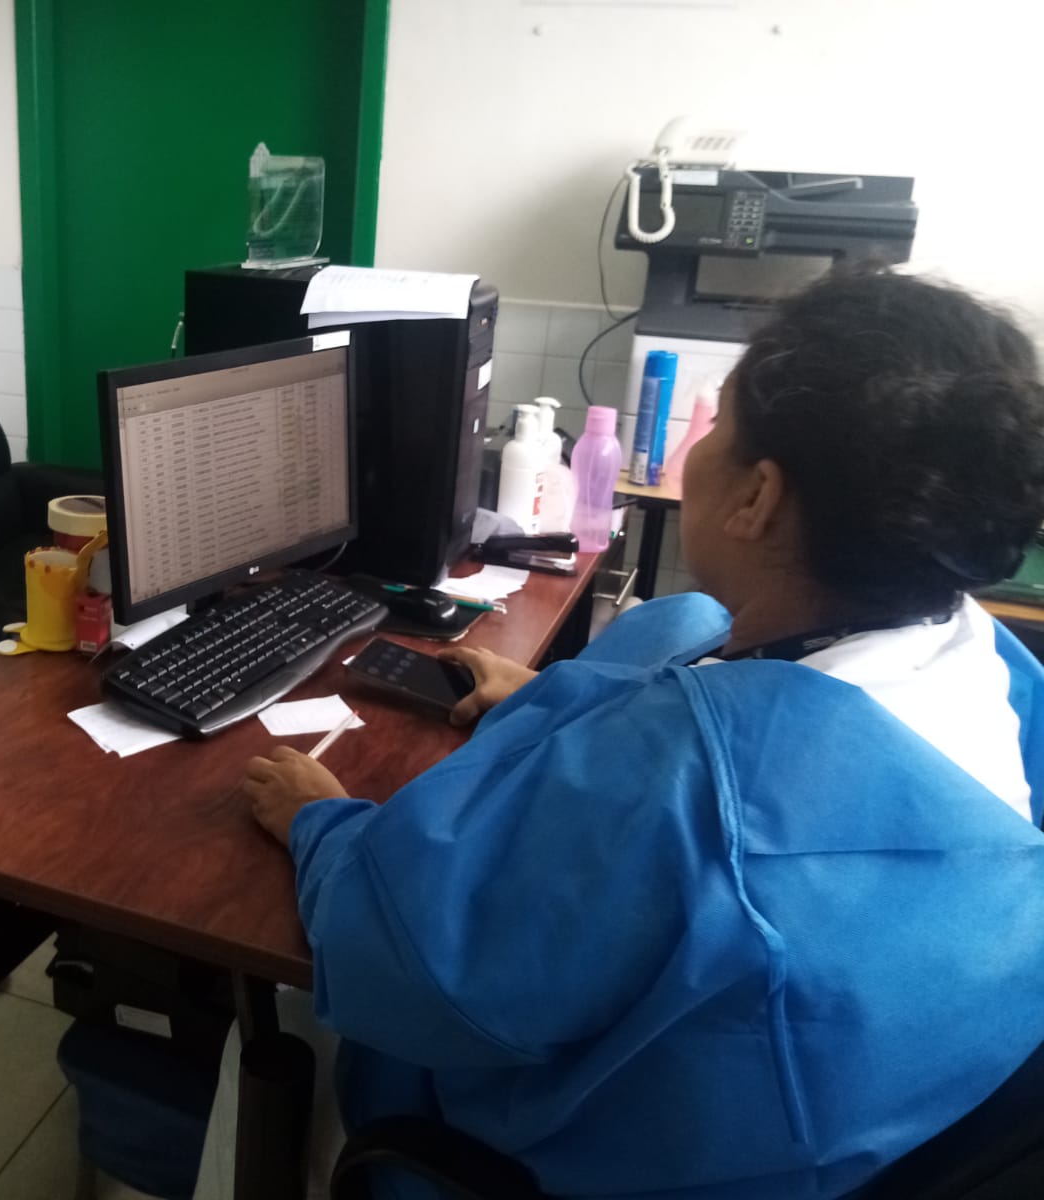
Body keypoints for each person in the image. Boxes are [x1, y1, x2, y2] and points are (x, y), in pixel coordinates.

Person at [224, 267, 1044, 1198]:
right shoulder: (992, 666)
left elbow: (411, 966)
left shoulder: (682, 783)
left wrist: (321, 827)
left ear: (758, 497)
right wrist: (554, 701)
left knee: (281, 1009)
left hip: (567, 1159)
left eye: (717, 423)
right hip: (831, 1140)